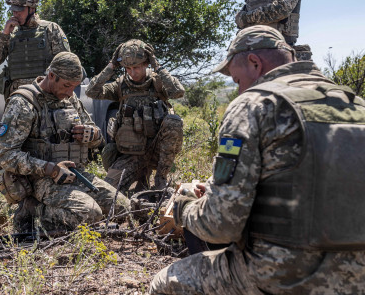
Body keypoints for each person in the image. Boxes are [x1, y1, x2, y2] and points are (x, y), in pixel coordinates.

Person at [149, 25, 365, 294]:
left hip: (284, 276)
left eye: (237, 81)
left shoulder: (254, 105)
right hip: (357, 278)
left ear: (254, 63)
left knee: (164, 283)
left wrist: (184, 208)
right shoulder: (355, 104)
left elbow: (221, 225)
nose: (238, 91)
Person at [0, 52, 130, 232]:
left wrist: (92, 135)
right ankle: (32, 209)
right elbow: (5, 154)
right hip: (40, 180)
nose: (69, 92)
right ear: (51, 76)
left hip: (75, 174)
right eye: (66, 85)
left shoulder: (70, 98)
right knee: (90, 213)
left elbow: (96, 137)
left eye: (74, 87)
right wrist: (49, 168)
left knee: (123, 208)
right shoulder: (24, 103)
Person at [85, 39, 184, 192]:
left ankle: (160, 178)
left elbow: (178, 91)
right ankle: (141, 178)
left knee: (174, 122)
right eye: (128, 68)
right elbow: (91, 91)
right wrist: (111, 66)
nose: (132, 72)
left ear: (146, 63)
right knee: (108, 191)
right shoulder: (120, 86)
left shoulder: (157, 83)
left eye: (136, 67)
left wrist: (157, 66)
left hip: (155, 152)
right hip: (130, 155)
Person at [0, 0, 71, 100]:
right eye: (13, 10)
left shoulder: (50, 29)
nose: (15, 13)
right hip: (17, 99)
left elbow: (67, 66)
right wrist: (4, 35)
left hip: (45, 99)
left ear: (32, 8)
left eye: (19, 9)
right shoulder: (10, 33)